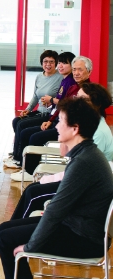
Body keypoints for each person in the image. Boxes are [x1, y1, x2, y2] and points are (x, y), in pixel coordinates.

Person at [0, 98, 113, 279]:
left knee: (6, 238)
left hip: (86, 239)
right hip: (80, 227)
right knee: (4, 230)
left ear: (75, 129)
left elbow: (56, 211)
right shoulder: (86, 153)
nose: (56, 126)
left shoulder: (84, 162)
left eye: (61, 121)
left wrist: (30, 247)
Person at [10, 82, 113, 221]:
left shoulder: (98, 131)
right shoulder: (88, 124)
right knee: (32, 189)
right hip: (77, 177)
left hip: (85, 188)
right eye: (77, 97)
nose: (77, 102)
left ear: (96, 104)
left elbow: (83, 169)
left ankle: (23, 229)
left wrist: (50, 179)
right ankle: (17, 226)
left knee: (33, 193)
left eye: (83, 99)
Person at [11, 55, 91, 182]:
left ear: (89, 71)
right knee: (23, 128)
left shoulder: (87, 91)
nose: (76, 73)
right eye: (74, 69)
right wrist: (50, 120)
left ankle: (30, 172)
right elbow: (61, 107)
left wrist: (54, 116)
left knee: (33, 137)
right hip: (59, 122)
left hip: (70, 129)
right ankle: (22, 164)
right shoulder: (72, 87)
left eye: (80, 70)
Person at [4, 51, 74, 169]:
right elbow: (35, 96)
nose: (48, 64)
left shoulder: (61, 77)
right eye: (45, 61)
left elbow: (62, 101)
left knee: (22, 126)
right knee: (16, 121)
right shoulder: (39, 77)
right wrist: (28, 109)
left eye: (52, 62)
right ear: (42, 63)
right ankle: (18, 152)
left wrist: (51, 101)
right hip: (42, 112)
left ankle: (19, 158)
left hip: (48, 113)